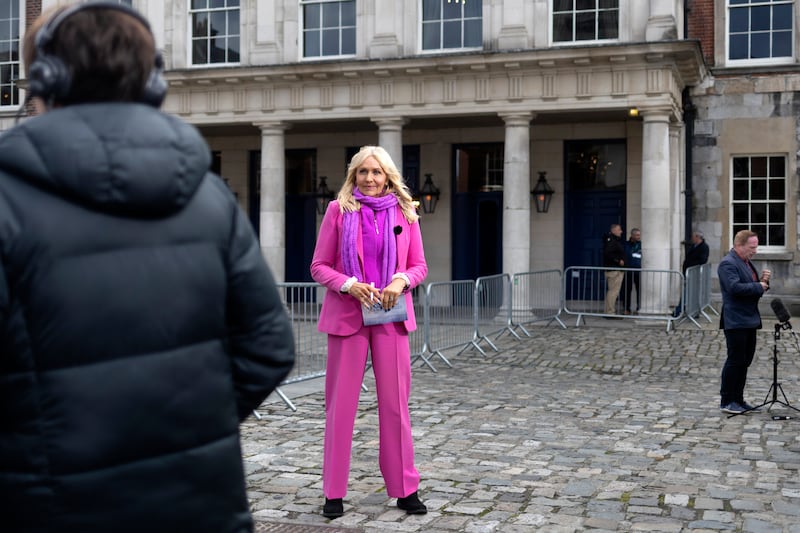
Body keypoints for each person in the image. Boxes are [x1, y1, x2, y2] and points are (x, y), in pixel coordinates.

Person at [0, 4, 295, 532]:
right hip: (198, 504)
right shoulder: (210, 195)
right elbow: (269, 348)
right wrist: (186, 424)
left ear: (45, 77)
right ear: (151, 80)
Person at [310, 145, 428, 519]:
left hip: (391, 317)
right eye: (363, 172)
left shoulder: (406, 212)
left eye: (377, 172)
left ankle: (405, 488)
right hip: (348, 317)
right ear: (354, 176)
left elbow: (420, 265)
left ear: (388, 176)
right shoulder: (338, 211)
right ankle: (333, 493)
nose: (371, 178)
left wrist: (401, 280)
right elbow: (318, 266)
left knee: (395, 407)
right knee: (340, 408)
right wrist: (347, 284)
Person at [717, 230, 771, 415]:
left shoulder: (746, 262)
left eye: (756, 246)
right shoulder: (728, 263)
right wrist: (758, 286)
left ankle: (738, 399)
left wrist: (763, 282)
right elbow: (734, 288)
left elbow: (750, 287)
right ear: (739, 245)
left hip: (749, 319)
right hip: (736, 320)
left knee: (745, 361)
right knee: (735, 360)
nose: (755, 250)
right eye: (752, 247)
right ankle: (727, 400)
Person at [673, 230, 710, 317]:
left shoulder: (704, 247)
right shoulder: (694, 245)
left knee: (687, 293)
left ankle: (678, 312)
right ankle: (693, 312)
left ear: (697, 237)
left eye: (693, 237)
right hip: (689, 273)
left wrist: (691, 266)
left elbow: (702, 260)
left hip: (694, 274)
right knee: (690, 293)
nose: (692, 238)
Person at [602, 223, 625, 316]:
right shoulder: (611, 240)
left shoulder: (615, 240)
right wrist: (618, 261)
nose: (621, 231)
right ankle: (610, 312)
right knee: (613, 292)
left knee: (613, 291)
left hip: (615, 269)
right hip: (614, 270)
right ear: (614, 230)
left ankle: (609, 311)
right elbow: (608, 254)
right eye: (619, 229)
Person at [623, 228, 642, 314]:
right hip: (628, 270)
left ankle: (639, 308)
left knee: (639, 290)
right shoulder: (626, 245)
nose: (639, 237)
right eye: (637, 235)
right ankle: (626, 308)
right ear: (632, 235)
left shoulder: (641, 245)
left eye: (639, 235)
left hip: (639, 270)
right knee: (627, 290)